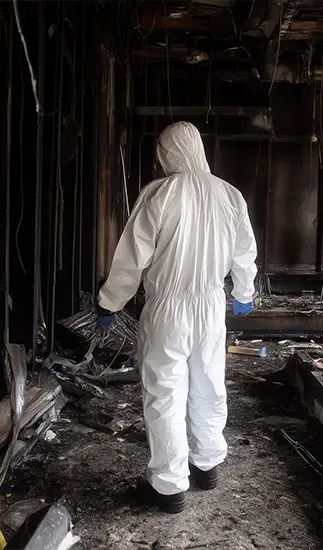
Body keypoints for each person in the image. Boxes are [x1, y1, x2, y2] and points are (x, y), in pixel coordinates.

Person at [96, 121, 257, 514]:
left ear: (169, 153)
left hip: (168, 308)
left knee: (165, 391)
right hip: (210, 305)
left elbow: (132, 259)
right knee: (209, 383)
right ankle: (208, 463)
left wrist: (109, 302)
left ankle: (169, 487)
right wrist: (244, 293)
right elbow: (244, 251)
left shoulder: (159, 194)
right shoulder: (230, 195)